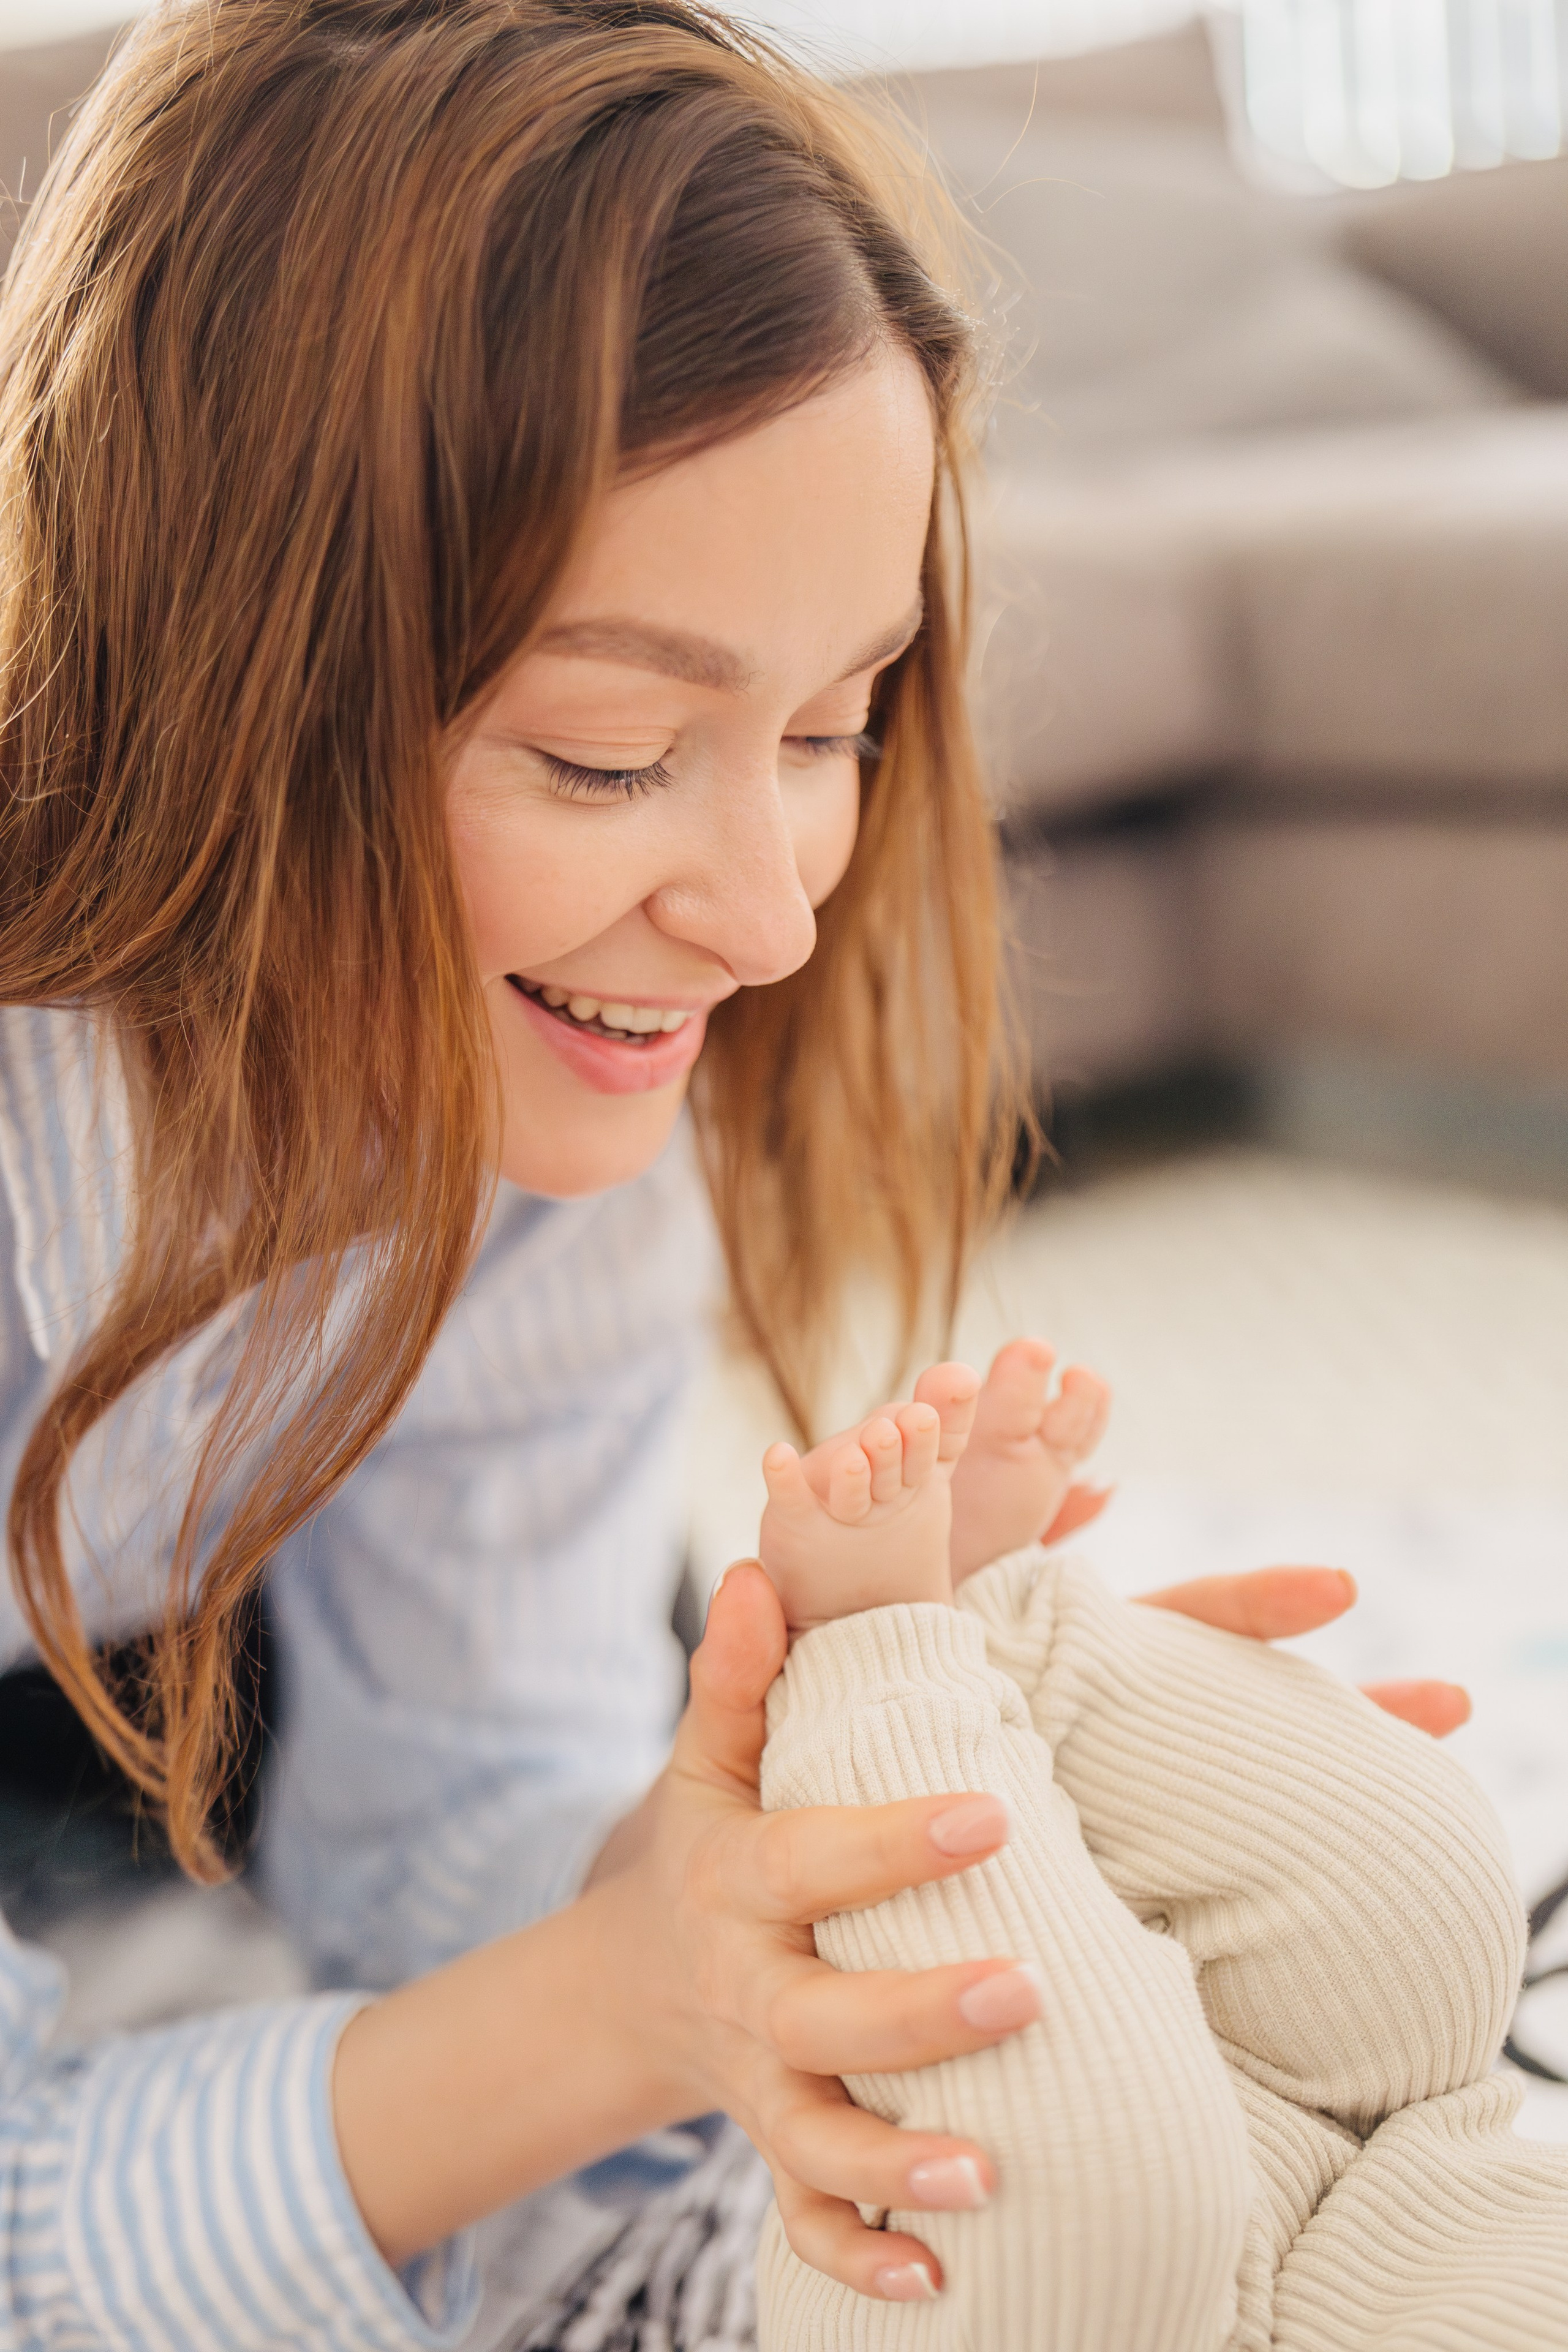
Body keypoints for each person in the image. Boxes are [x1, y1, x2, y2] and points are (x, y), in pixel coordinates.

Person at [0, 4, 1472, 2346]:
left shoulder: (519, 1123)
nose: (773, 920)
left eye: (828, 727)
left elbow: (461, 1817)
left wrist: (807, 1844)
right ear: (214, 677)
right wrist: (637, 2000)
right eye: (604, 756)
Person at [752, 1359, 1568, 2350]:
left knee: (1100, 2210)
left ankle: (872, 1659)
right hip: (1425, 2166)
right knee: (1426, 1911)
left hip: (1082, 2303)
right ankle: (987, 1623)